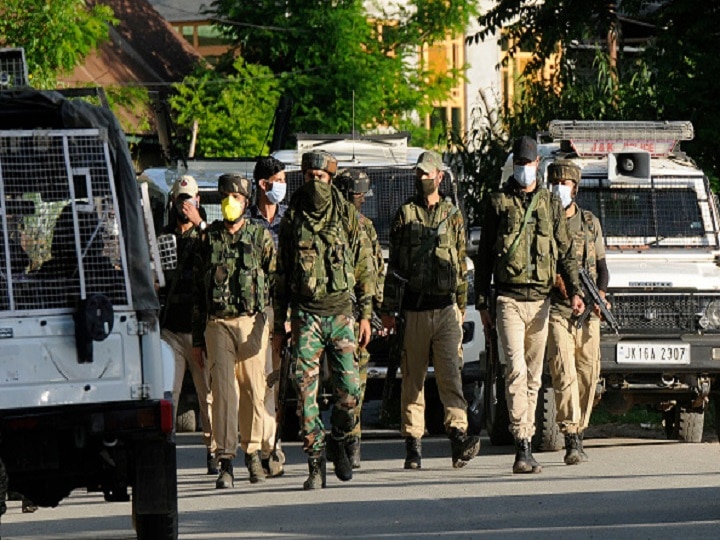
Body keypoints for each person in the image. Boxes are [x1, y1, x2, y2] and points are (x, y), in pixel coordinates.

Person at [474, 136, 585, 474]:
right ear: (515, 165)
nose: (524, 169)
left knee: (535, 376)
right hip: (508, 298)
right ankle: (522, 445)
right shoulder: (497, 202)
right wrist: (482, 303)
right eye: (519, 163)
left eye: (529, 163)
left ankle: (528, 440)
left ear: (538, 164)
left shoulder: (550, 205)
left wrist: (575, 292)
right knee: (515, 371)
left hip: (541, 301)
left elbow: (565, 253)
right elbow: (484, 257)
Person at [273, 149, 374, 490]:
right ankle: (315, 462)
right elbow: (283, 274)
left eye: (321, 177)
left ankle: (340, 438)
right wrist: (278, 324)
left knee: (350, 393)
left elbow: (363, 267)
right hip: (306, 316)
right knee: (305, 396)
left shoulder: (346, 215)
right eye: (310, 177)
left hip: (342, 314)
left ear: (331, 178)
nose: (316, 182)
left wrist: (366, 315)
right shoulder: (292, 218)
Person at [380, 150, 480, 470]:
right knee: (414, 379)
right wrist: (389, 309)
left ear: (439, 176)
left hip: (447, 308)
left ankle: (458, 438)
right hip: (415, 310)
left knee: (451, 375)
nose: (422, 178)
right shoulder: (405, 214)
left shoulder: (453, 215)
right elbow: (395, 267)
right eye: (418, 173)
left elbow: (461, 262)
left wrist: (462, 305)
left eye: (428, 173)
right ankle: (413, 445)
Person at [192, 173, 276, 489]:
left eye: (237, 197)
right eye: (226, 196)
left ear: (246, 200)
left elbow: (275, 279)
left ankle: (252, 453)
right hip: (217, 324)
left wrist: (281, 323)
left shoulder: (260, 237)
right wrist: (197, 338)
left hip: (252, 323)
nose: (231, 202)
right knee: (224, 392)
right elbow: (199, 294)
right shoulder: (208, 239)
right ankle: (226, 460)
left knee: (255, 389)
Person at [546, 159, 609, 465]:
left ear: (575, 187)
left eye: (565, 183)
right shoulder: (544, 221)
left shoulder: (589, 222)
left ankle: (580, 431)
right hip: (558, 309)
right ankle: (571, 437)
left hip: (589, 312)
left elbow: (602, 267)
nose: (560, 187)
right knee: (564, 372)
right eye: (555, 182)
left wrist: (601, 296)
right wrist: (564, 289)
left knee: (587, 373)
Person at [158, 174, 215, 474]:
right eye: (180, 199)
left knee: (207, 395)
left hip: (199, 332)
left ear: (197, 200)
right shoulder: (163, 237)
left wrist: (200, 224)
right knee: (169, 395)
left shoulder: (207, 235)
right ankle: (165, 455)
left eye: (189, 199)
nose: (184, 205)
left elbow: (219, 256)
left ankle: (214, 452)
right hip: (170, 331)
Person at [335, 168, 385, 469]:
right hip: (332, 313)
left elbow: (373, 269)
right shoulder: (332, 225)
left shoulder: (365, 227)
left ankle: (351, 440)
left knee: (356, 383)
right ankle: (340, 438)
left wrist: (373, 312)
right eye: (357, 196)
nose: (361, 201)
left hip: (357, 316)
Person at [248, 156, 287, 478]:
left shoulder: (290, 221)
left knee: (281, 383)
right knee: (260, 383)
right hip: (256, 312)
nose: (282, 186)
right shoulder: (246, 222)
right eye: (279, 180)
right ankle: (265, 447)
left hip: (285, 311)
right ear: (264, 184)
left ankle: (272, 443)